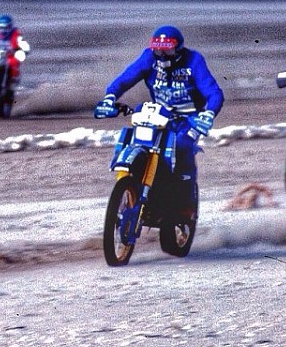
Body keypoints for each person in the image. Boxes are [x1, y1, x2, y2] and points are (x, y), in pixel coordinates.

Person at [93, 26, 224, 210]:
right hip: (160, 116)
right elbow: (126, 78)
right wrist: (110, 96)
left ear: (178, 49)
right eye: (158, 49)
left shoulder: (194, 60)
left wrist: (209, 113)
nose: (162, 55)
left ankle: (186, 202)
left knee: (182, 146)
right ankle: (134, 182)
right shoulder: (149, 58)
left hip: (189, 120)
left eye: (167, 50)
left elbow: (214, 93)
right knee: (138, 138)